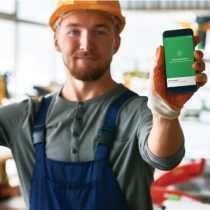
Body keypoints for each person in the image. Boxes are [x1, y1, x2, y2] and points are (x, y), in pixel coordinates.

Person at [0, 0, 207, 210]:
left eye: (99, 32)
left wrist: (164, 111)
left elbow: (166, 159)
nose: (86, 44)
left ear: (116, 43)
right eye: (74, 31)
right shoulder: (23, 117)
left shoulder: (138, 111)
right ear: (56, 41)